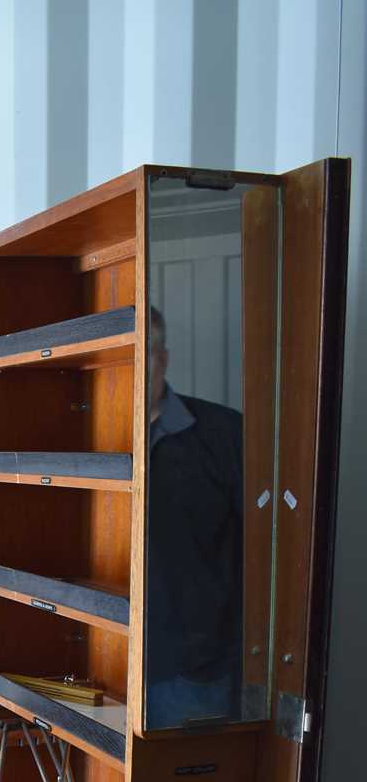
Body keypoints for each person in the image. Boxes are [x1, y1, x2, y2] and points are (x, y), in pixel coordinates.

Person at [146, 305, 244, 728]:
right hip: (104, 666)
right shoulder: (85, 434)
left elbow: (261, 555)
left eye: (146, 351)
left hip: (196, 678)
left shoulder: (226, 435)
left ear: (163, 358)